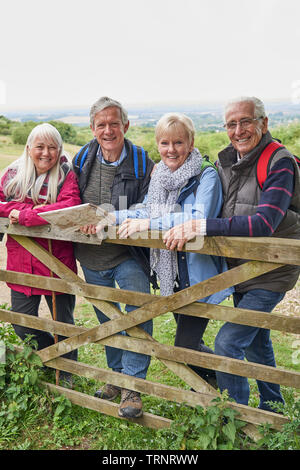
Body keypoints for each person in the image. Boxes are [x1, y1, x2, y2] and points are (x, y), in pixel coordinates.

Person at [163, 97, 300, 411]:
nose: (239, 130)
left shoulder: (279, 162)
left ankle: (235, 416)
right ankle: (272, 406)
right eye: (231, 124)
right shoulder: (226, 162)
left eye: (246, 121)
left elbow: (265, 222)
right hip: (240, 268)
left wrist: (202, 226)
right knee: (258, 342)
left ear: (263, 124)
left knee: (228, 342)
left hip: (271, 271)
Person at [97, 112, 233, 387]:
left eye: (178, 143)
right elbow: (147, 208)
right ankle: (216, 391)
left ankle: (228, 381)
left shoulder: (206, 175)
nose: (171, 150)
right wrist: (113, 216)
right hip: (172, 276)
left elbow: (197, 217)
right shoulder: (158, 174)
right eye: (165, 143)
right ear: (157, 145)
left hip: (199, 275)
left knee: (183, 347)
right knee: (189, 344)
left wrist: (149, 223)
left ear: (191, 143)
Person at [72, 96, 155, 418]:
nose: (108, 130)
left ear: (126, 126)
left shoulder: (139, 160)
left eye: (114, 123)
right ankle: (115, 377)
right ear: (93, 128)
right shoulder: (82, 158)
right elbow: (68, 195)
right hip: (91, 256)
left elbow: (150, 201)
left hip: (128, 253)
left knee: (137, 317)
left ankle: (132, 387)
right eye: (101, 125)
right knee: (107, 319)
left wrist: (115, 217)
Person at [0, 123, 82, 387]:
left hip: (57, 261)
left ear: (59, 150)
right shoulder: (12, 173)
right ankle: (51, 358)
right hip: (21, 263)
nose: (46, 153)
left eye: (52, 147)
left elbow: (69, 205)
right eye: (40, 147)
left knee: (64, 324)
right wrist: (28, 207)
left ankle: (67, 374)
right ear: (28, 148)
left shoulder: (66, 173)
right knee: (22, 324)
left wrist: (25, 214)